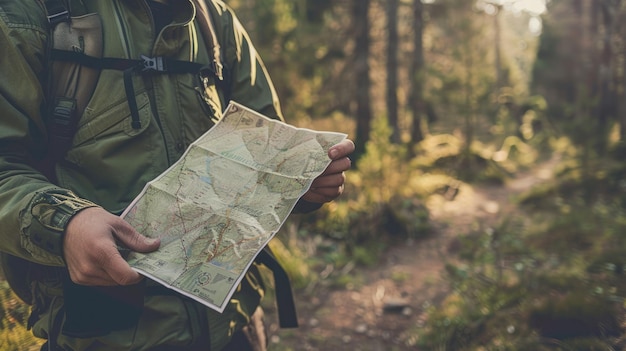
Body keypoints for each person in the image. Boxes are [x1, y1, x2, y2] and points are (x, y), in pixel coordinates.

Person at [0, 0, 355, 350]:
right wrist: (66, 225)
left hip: (234, 323)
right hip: (104, 334)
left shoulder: (214, 21)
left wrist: (300, 183)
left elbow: (267, 149)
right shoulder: (26, 16)